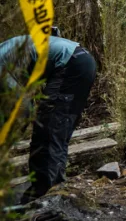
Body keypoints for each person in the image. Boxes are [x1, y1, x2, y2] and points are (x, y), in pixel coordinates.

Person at [0, 33, 97, 202]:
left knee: (48, 130)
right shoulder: (5, 52)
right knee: (57, 130)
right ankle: (50, 191)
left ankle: (47, 196)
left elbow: (23, 108)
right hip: (80, 60)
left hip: (71, 65)